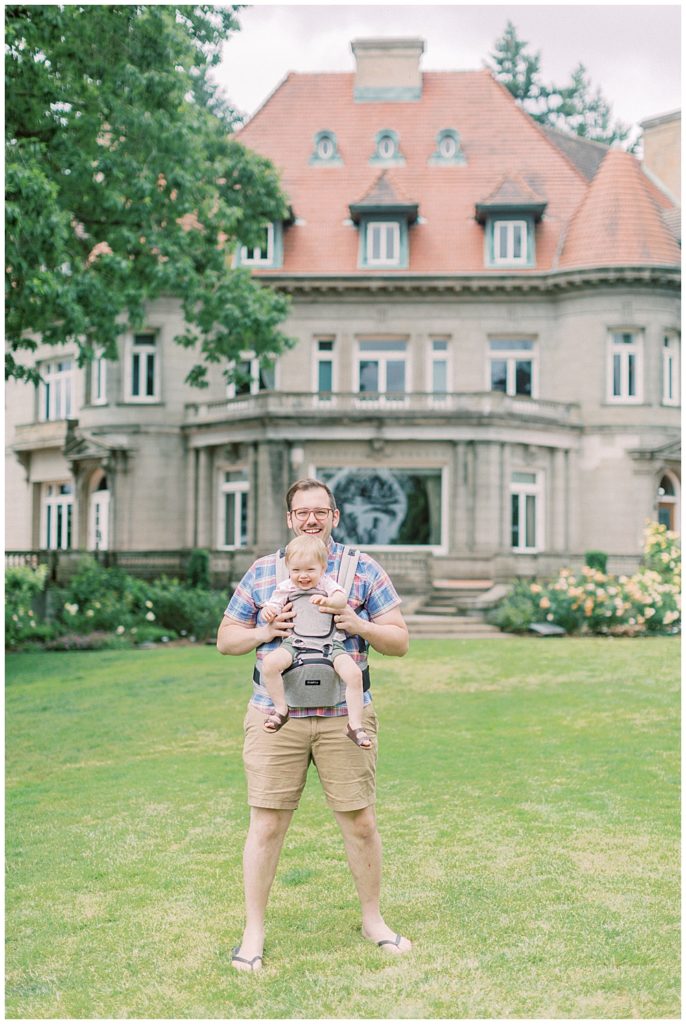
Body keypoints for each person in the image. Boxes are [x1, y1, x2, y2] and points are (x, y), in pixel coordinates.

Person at [217, 477, 412, 972]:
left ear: (334, 517)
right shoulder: (264, 573)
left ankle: (373, 921)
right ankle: (253, 932)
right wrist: (267, 629)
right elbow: (226, 640)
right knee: (267, 823)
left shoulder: (361, 569)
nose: (310, 519)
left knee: (361, 821)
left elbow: (399, 641)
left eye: (320, 512)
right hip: (274, 718)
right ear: (289, 518)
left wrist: (359, 624)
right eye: (302, 512)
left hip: (343, 719)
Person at [260, 533, 372, 748]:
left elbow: (340, 600)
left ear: (322, 568)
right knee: (270, 664)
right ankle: (281, 708)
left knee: (354, 674)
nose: (303, 576)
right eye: (296, 570)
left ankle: (355, 725)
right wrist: (269, 611)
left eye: (310, 570)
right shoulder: (286, 587)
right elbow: (273, 603)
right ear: (288, 569)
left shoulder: (327, 584)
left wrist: (329, 600)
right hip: (296, 644)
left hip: (331, 645)